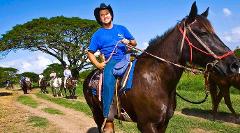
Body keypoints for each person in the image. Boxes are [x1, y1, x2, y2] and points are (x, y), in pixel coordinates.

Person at [87, 3, 137, 131]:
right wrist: (98, 64)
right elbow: (90, 52)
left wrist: (129, 42)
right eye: (102, 15)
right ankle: (109, 119)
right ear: (100, 18)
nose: (105, 16)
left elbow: (134, 42)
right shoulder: (98, 34)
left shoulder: (121, 28)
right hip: (112, 61)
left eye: (107, 13)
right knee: (108, 82)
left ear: (111, 15)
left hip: (128, 56)